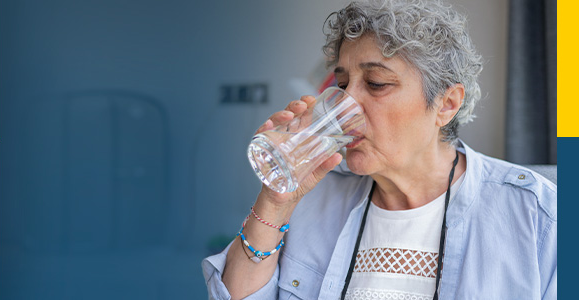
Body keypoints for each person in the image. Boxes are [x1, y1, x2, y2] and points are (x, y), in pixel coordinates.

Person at [202, 0, 557, 299]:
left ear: (447, 103)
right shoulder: (312, 198)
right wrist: (276, 200)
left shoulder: (539, 218)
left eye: (376, 83)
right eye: (341, 84)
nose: (346, 105)